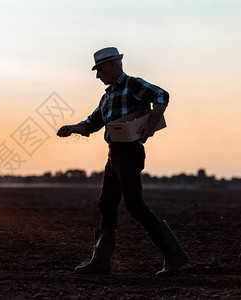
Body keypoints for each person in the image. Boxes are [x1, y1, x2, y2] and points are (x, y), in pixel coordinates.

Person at [57, 47, 189, 278]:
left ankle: (174, 254)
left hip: (130, 152)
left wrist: (151, 124)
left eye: (100, 69)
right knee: (106, 204)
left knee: (135, 206)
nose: (98, 75)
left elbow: (161, 95)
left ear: (113, 65)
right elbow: (92, 123)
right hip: (114, 155)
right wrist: (72, 129)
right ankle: (100, 262)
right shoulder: (107, 97)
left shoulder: (133, 85)